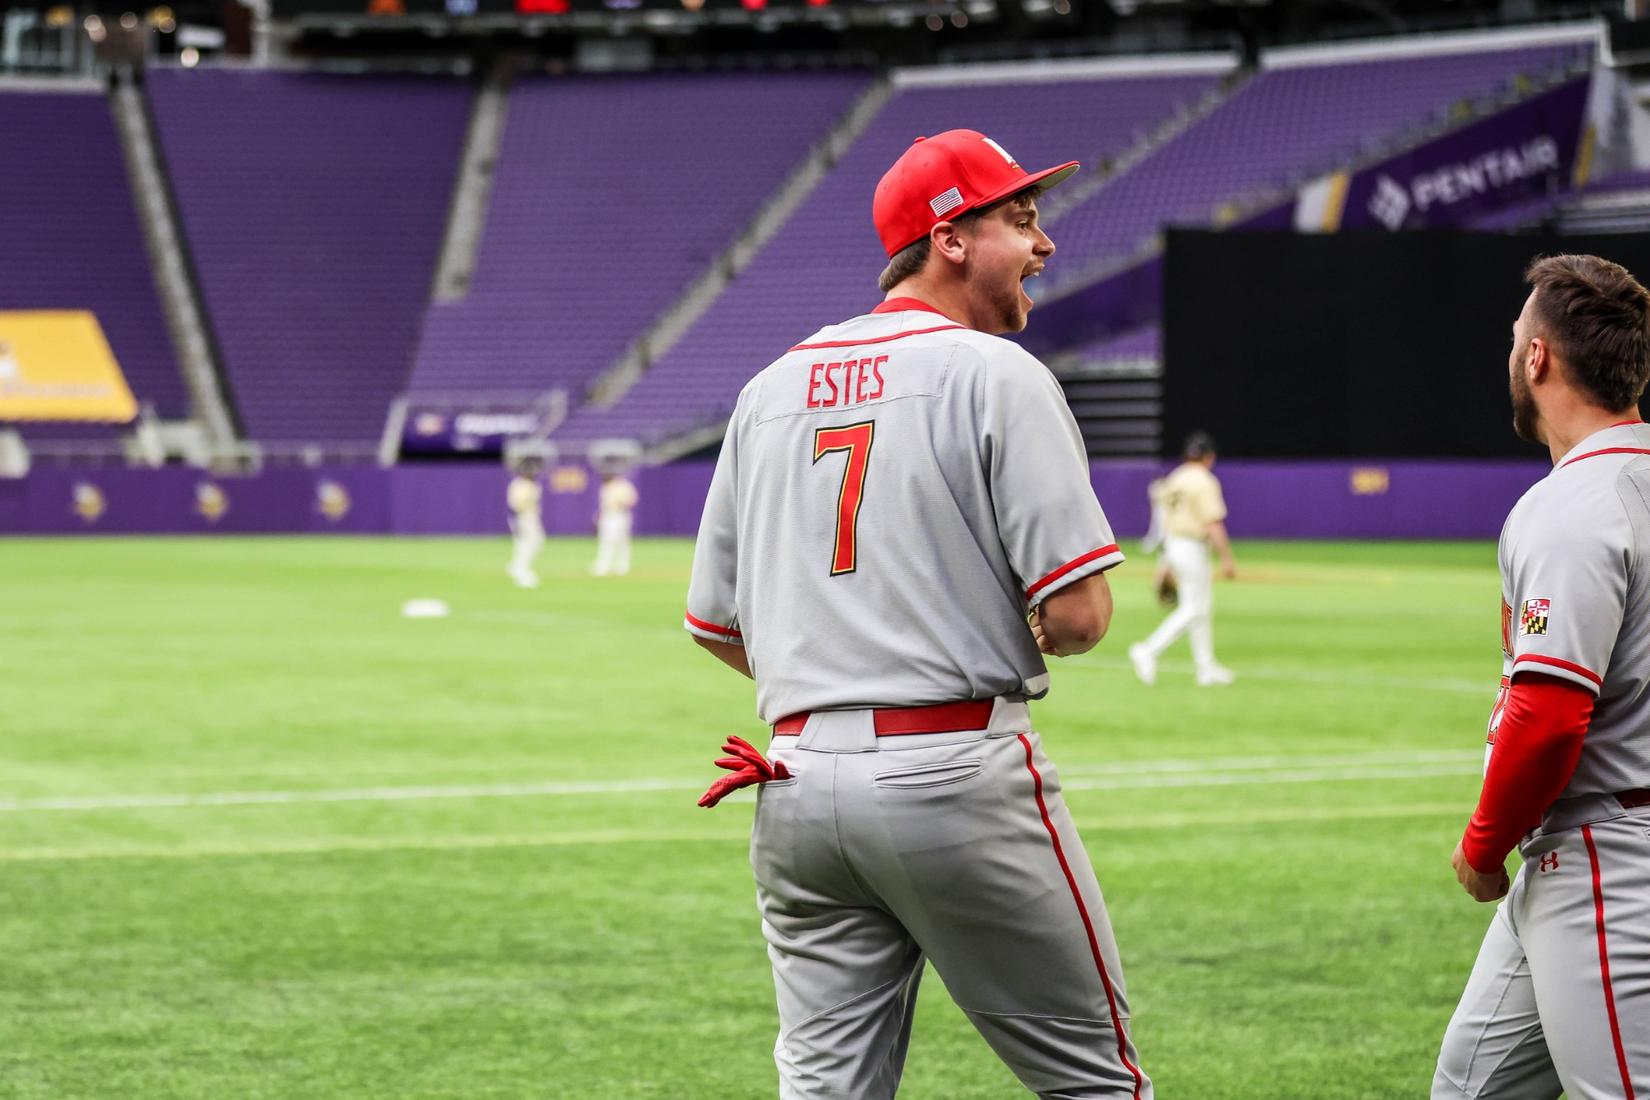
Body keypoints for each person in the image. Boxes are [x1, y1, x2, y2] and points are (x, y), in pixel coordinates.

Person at [685, 129, 1151, 1100]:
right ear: (950, 237)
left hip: (796, 781)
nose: (1045, 243)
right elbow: (1081, 611)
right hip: (955, 772)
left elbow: (716, 624)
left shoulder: (767, 388)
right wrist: (945, 639)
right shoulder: (999, 374)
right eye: (1021, 219)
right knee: (1098, 1084)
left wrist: (845, 664)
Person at [1433, 254, 1650, 1100]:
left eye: (1516, 335)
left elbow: (1550, 714)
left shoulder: (1574, 503)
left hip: (1609, 854)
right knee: (1471, 1086)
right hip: (1588, 846)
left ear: (1538, 358)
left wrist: (1485, 846)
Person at [1127, 432, 1237, 687]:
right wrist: (1227, 559)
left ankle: (1205, 667)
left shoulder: (1176, 477)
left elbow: (1165, 521)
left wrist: (1164, 561)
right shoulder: (1204, 481)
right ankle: (1148, 649)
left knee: (1201, 606)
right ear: (1209, 457)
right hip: (1192, 547)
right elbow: (1213, 523)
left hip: (1174, 544)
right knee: (1194, 608)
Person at [590, 470, 638, 577]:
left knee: (622, 542)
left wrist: (622, 503)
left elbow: (633, 499)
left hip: (620, 515)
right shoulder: (605, 487)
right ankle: (603, 565)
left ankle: (622, 566)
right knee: (606, 541)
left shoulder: (623, 486)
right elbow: (604, 505)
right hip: (608, 516)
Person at [505, 457, 544, 588]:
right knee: (525, 544)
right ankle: (520, 569)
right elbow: (516, 503)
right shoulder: (519, 484)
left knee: (536, 543)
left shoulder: (533, 484)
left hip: (531, 516)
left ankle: (517, 566)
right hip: (522, 517)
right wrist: (520, 518)